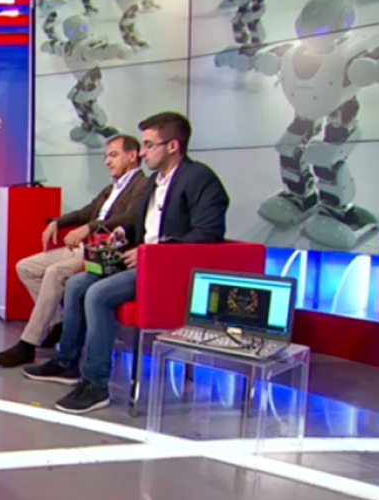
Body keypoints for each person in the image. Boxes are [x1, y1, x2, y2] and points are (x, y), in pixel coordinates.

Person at [24, 111, 230, 415]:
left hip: (169, 269)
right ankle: (67, 363)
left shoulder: (200, 179)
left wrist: (154, 252)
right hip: (145, 260)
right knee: (78, 284)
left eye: (149, 145)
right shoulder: (154, 182)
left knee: (98, 294)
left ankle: (96, 384)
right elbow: (142, 225)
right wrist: (123, 232)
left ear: (173, 146)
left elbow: (208, 233)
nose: (143, 153)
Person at [0, 135, 150, 368]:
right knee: (25, 267)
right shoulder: (111, 188)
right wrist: (57, 222)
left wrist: (89, 228)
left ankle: (28, 344)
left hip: (106, 253)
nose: (107, 161)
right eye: (106, 156)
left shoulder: (143, 186)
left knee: (54, 273)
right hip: (83, 247)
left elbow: (130, 218)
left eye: (113, 155)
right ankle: (58, 322)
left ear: (133, 155)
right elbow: (85, 212)